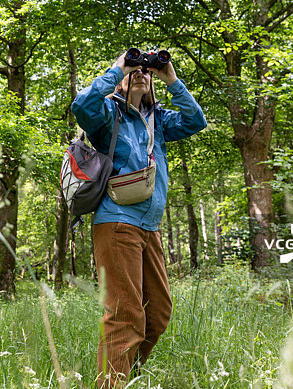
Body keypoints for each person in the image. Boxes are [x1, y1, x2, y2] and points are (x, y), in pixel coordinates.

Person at [71, 50, 207, 388]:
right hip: (116, 222)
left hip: (150, 228)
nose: (141, 73)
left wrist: (171, 79)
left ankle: (124, 376)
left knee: (157, 314)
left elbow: (195, 121)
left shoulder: (158, 119)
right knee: (125, 315)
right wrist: (119, 68)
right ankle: (112, 384)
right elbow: (82, 106)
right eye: (136, 69)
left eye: (147, 70)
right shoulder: (108, 113)